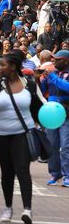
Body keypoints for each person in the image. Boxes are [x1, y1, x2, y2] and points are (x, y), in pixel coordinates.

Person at [0, 49, 44, 224]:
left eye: (3, 65)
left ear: (13, 67)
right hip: (0, 134)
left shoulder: (29, 83)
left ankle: (27, 209)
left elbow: (42, 105)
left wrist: (43, 122)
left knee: (22, 169)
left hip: (23, 133)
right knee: (7, 172)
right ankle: (8, 207)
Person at [38, 49, 69, 187]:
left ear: (66, 61)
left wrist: (52, 77)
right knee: (52, 145)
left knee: (66, 146)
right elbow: (43, 89)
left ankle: (67, 175)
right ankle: (55, 173)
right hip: (51, 114)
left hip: (66, 113)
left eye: (58, 59)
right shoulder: (53, 74)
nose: (54, 62)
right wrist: (40, 79)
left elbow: (66, 87)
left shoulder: (60, 75)